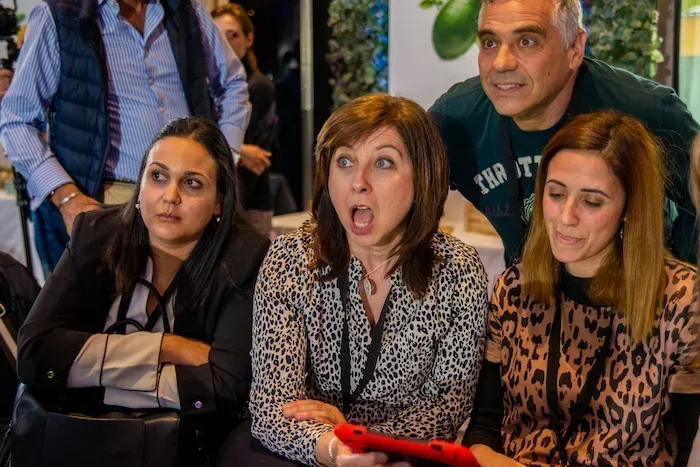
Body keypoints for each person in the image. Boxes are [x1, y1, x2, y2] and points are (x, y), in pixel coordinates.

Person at [219, 94, 489, 467]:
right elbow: (272, 405)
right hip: (306, 452)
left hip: (404, 456)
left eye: (383, 162)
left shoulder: (458, 269)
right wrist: (335, 448)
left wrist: (361, 438)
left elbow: (446, 407)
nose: (358, 182)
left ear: (423, 175)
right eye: (345, 161)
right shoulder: (290, 258)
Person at [16, 117, 270, 464]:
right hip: (76, 440)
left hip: (185, 451)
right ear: (140, 187)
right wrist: (167, 347)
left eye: (192, 183)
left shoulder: (245, 257)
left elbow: (224, 387)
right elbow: (34, 354)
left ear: (218, 203)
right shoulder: (95, 234)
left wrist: (87, 372)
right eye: (158, 176)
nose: (170, 196)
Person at [462, 110, 699, 466]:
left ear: (631, 208)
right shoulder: (514, 289)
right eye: (556, 193)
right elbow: (484, 426)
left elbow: (688, 451)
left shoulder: (681, 300)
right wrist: (483, 456)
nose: (566, 217)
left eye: (591, 202)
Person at [429, 0, 700, 264]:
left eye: (526, 41)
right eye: (490, 42)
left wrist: (677, 278)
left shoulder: (645, 109)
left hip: (640, 286)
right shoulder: (456, 118)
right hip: (530, 287)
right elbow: (409, 194)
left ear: (574, 48)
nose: (501, 63)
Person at [0, 0, 253, 276]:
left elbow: (232, 85)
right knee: (107, 303)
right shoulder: (58, 15)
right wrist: (66, 196)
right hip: (106, 202)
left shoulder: (187, 9)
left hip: (186, 198)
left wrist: (223, 158)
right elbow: (17, 120)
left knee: (192, 300)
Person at [212, 3, 276, 237]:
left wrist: (230, 150)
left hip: (249, 202)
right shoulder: (205, 86)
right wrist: (240, 150)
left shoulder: (259, 86)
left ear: (249, 39)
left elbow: (259, 156)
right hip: (211, 197)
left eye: (233, 35)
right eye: (218, 35)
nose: (225, 43)